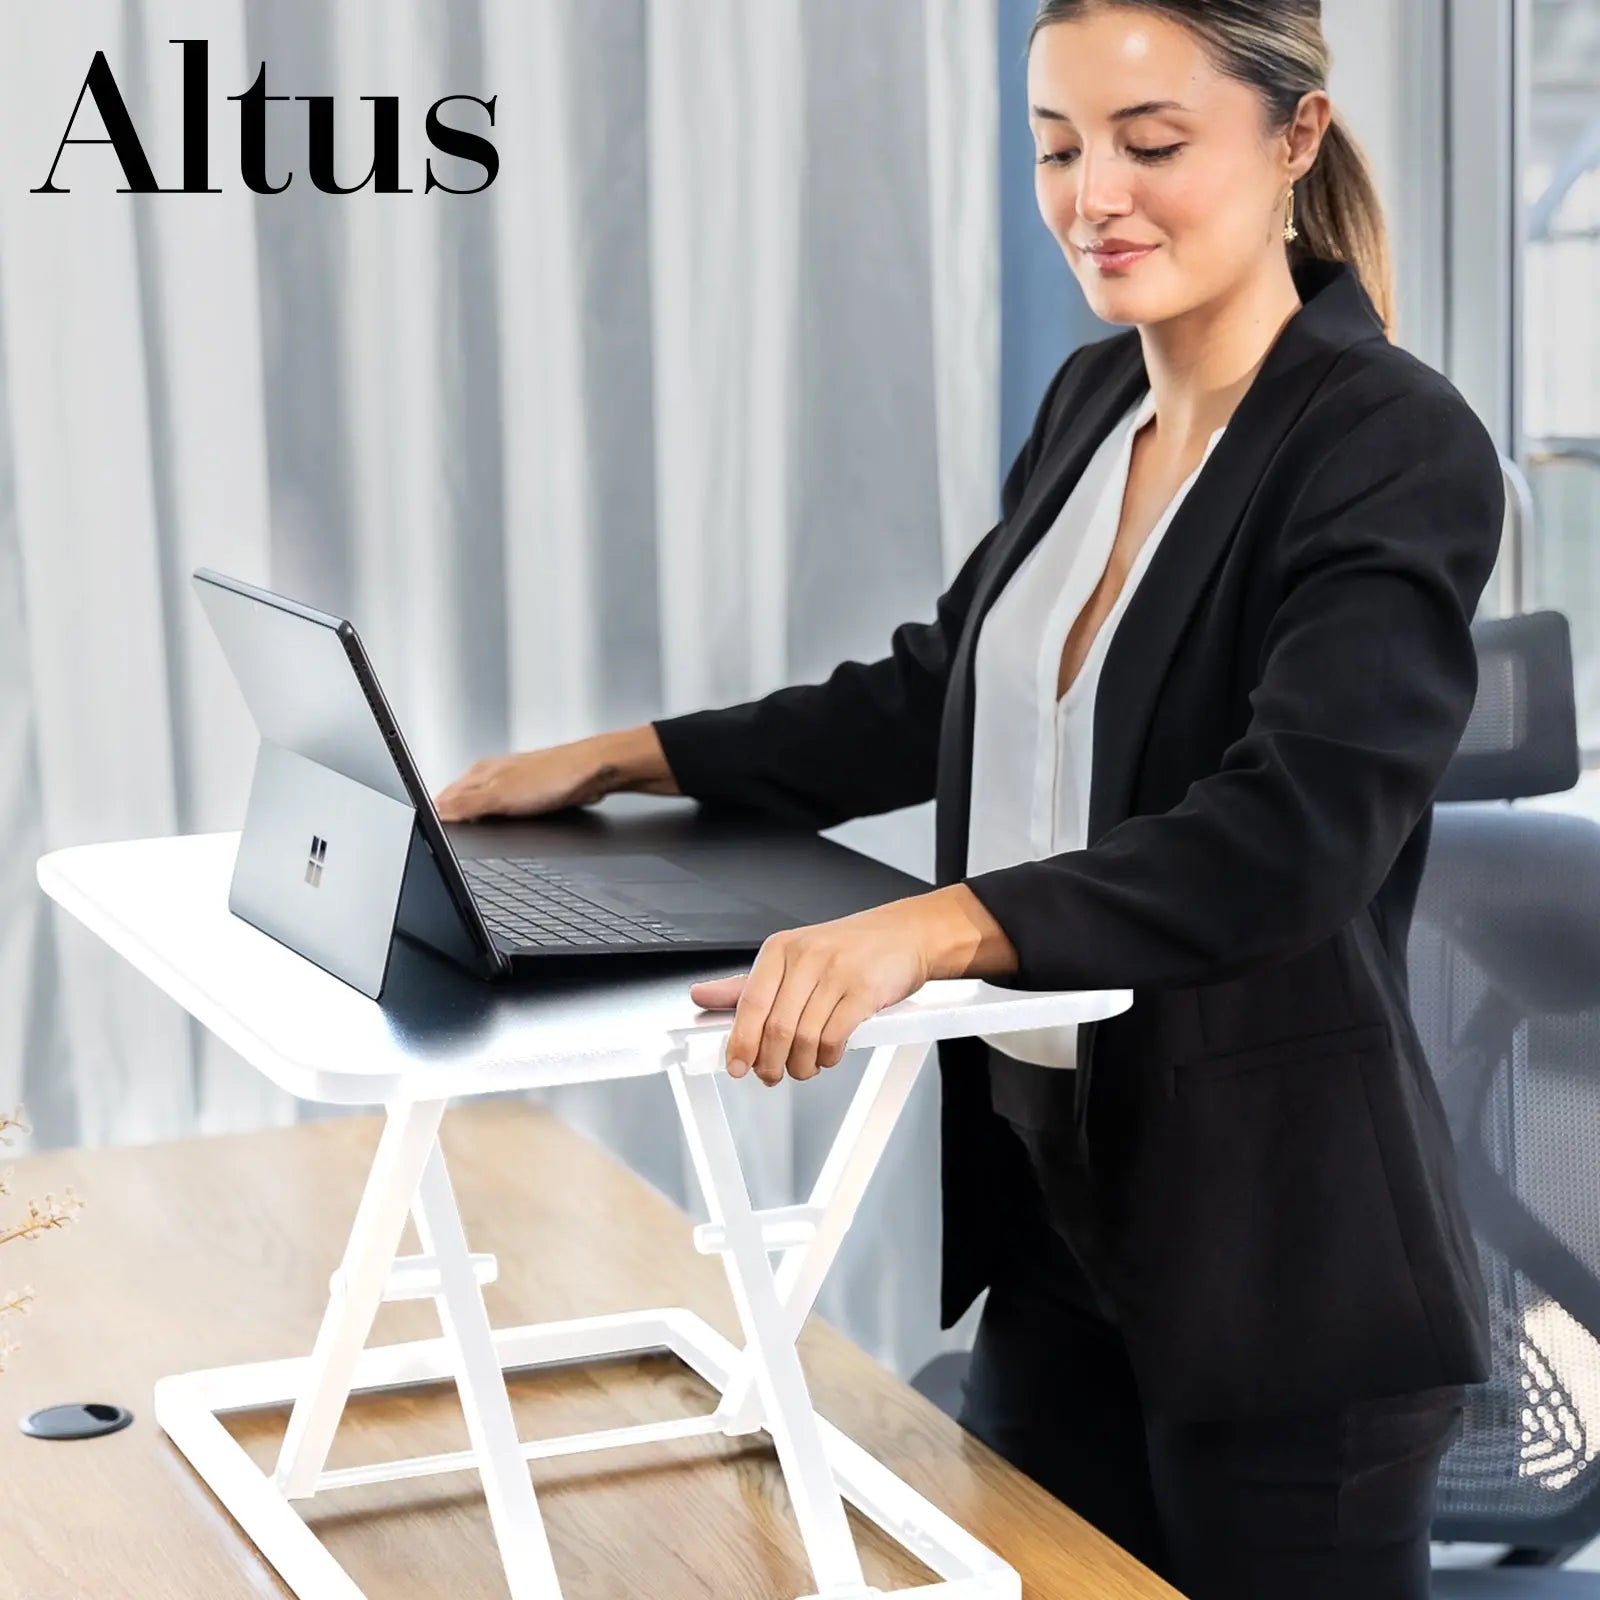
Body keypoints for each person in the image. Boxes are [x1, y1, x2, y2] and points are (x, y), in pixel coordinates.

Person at [436, 2, 1504, 1594]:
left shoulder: (1390, 445)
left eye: (1150, 146)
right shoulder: (1095, 406)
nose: (1095, 197)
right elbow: (943, 692)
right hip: (1060, 1229)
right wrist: (627, 755)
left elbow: (1289, 838)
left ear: (1293, 140)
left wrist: (933, 927)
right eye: (1057, 150)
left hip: (1282, 1282)